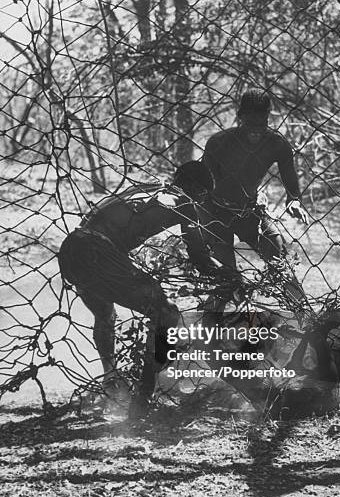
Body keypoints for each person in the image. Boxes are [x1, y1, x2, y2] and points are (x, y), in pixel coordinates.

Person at [58, 161, 220, 414]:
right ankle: (143, 400)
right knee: (167, 313)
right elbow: (200, 258)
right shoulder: (184, 202)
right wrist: (232, 276)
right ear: (196, 189)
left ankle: (110, 377)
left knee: (104, 314)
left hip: (72, 246)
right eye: (202, 195)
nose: (200, 201)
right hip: (99, 250)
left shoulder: (147, 187)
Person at [201, 88, 310, 316]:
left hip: (251, 212)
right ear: (240, 118)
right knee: (227, 280)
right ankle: (210, 333)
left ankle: (308, 318)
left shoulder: (277, 144)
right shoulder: (219, 142)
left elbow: (290, 179)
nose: (255, 132)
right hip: (217, 214)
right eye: (250, 125)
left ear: (268, 119)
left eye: (260, 126)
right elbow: (203, 186)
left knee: (280, 263)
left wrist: (294, 202)